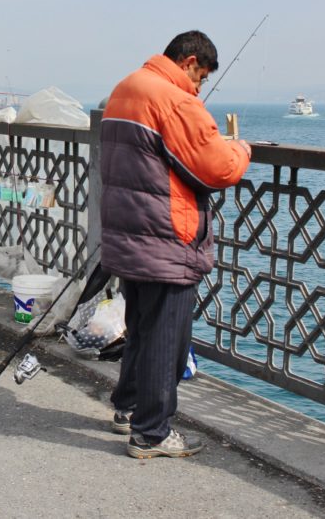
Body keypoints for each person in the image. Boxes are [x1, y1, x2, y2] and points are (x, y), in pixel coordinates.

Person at [100, 30, 251, 459]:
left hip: (128, 233)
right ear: (187, 62)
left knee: (143, 328)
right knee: (167, 337)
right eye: (200, 77)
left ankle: (128, 408)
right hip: (167, 238)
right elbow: (216, 169)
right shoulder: (176, 100)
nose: (199, 87)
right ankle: (152, 433)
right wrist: (240, 149)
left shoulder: (125, 88)